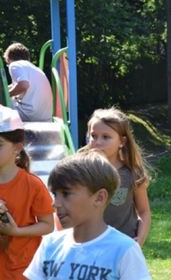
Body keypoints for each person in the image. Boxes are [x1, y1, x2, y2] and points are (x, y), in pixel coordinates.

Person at [23, 151, 151, 279]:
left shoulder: (124, 250)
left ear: (100, 198)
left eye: (66, 194)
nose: (55, 204)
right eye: (55, 195)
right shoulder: (50, 245)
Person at [80, 107, 152, 247]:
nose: (98, 142)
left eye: (106, 137)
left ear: (122, 142)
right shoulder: (81, 172)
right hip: (89, 245)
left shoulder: (133, 174)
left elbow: (144, 212)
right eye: (93, 136)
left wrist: (140, 239)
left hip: (122, 247)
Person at [0, 106, 54, 279]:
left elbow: (48, 225)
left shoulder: (32, 184)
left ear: (17, 147)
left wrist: (16, 232)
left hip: (22, 270)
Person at [2, 43, 52, 122]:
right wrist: (5, 90)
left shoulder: (15, 65)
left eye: (7, 63)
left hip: (29, 114)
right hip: (45, 117)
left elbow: (23, 85)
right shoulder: (34, 69)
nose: (8, 65)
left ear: (9, 58)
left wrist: (5, 95)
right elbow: (16, 85)